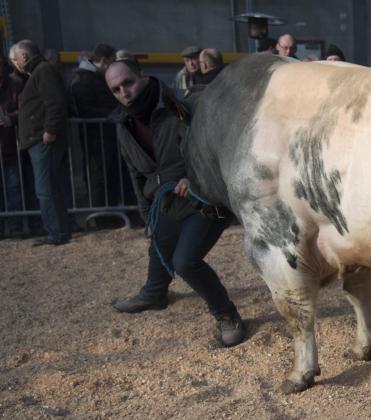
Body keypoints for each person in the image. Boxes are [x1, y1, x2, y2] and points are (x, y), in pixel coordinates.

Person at [105, 59, 245, 347]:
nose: (124, 92)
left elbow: (217, 148)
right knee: (159, 243)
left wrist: (192, 178)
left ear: (143, 76)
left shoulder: (181, 106)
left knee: (185, 261)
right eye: (116, 89)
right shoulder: (122, 123)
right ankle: (155, 294)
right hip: (165, 200)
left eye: (128, 83)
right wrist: (147, 216)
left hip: (207, 197)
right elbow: (136, 173)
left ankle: (226, 315)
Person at [9, 40, 71, 246]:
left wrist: (50, 131)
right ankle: (58, 230)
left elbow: (55, 102)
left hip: (43, 141)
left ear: (24, 57)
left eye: (14, 58)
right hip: (40, 140)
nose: (14, 63)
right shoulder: (40, 71)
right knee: (49, 187)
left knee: (46, 189)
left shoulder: (43, 71)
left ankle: (57, 232)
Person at [69, 43, 122, 207]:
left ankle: (110, 210)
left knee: (110, 175)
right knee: (99, 176)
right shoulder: (84, 80)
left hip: (106, 134)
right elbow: (85, 109)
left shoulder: (95, 77)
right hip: (96, 136)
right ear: (104, 60)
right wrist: (112, 114)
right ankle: (102, 216)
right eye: (113, 62)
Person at [0, 52, 25, 237]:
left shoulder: (14, 85)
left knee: (13, 187)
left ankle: (16, 227)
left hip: (9, 146)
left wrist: (11, 118)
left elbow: (24, 108)